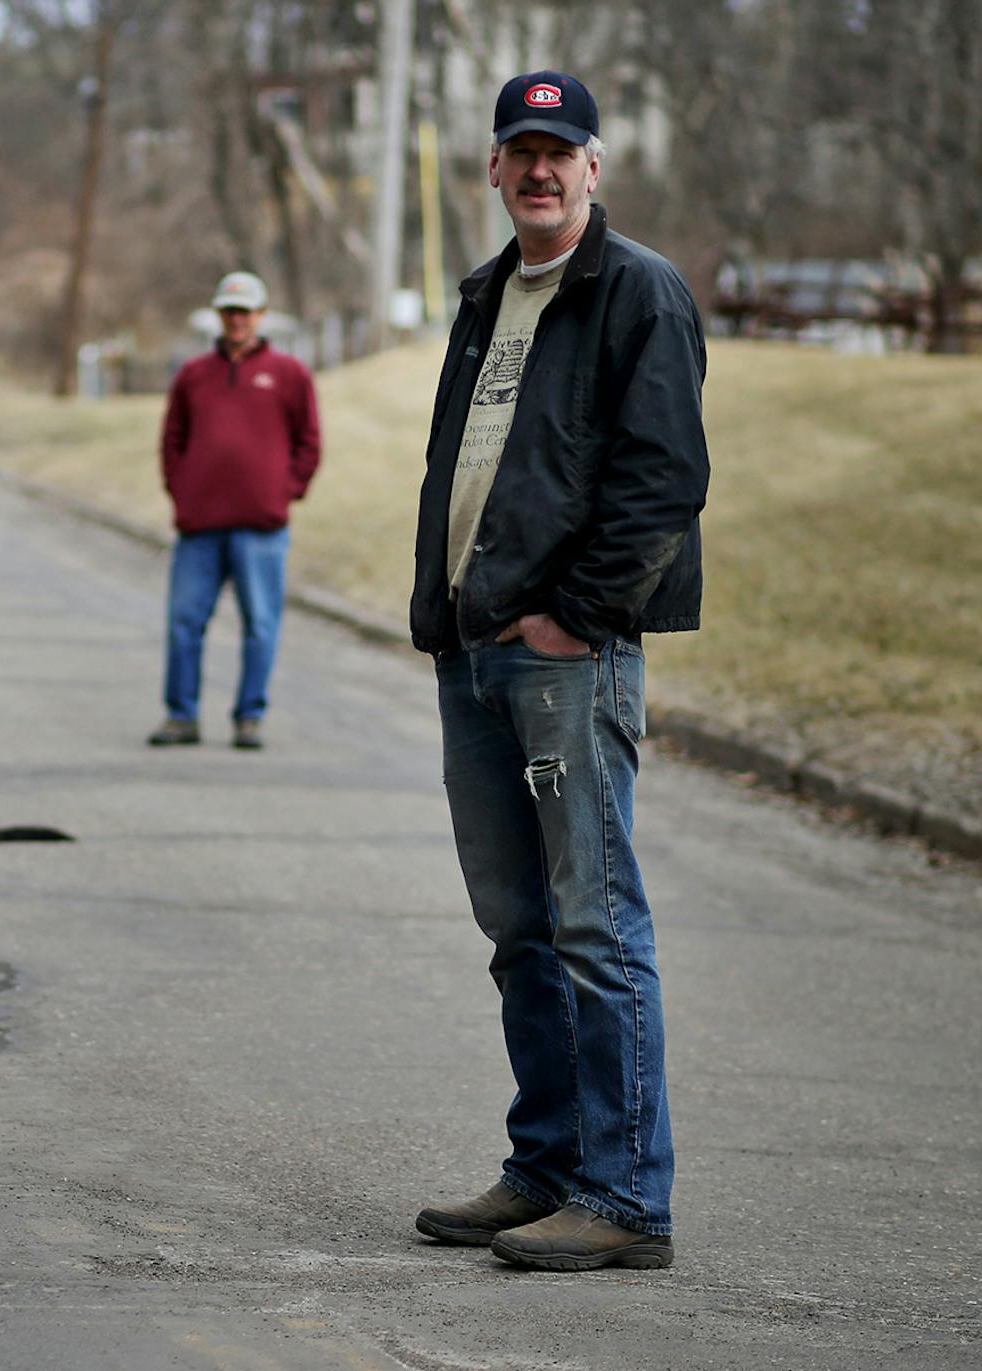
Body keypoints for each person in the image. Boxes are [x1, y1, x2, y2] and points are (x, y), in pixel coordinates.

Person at [409, 73, 708, 1270]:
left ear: (595, 169)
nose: (540, 169)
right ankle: (547, 1166)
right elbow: (466, 460)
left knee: (593, 920)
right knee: (519, 926)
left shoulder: (640, 292)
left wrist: (579, 618)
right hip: (476, 651)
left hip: (566, 659)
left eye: (561, 151)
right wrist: (445, 616)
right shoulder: (490, 294)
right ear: (493, 167)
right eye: (520, 150)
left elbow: (664, 480)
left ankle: (628, 1199)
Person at [150, 271, 322, 750]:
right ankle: (180, 716)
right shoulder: (192, 375)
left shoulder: (290, 375)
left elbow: (308, 442)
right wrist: (182, 493)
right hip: (200, 526)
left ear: (261, 316)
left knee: (260, 625)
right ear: (218, 316)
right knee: (185, 622)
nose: (236, 321)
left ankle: (249, 717)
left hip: (262, 528)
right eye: (228, 312)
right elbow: (172, 441)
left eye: (244, 312)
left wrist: (285, 492)